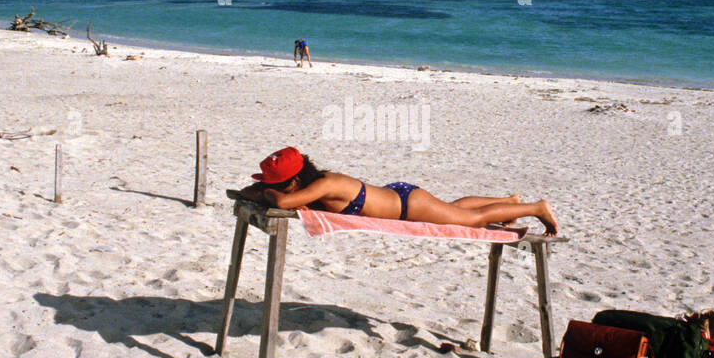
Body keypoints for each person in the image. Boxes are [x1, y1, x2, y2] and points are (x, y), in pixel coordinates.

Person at [239, 147, 558, 235]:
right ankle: (508, 201)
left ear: (292, 182)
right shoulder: (315, 184)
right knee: (456, 208)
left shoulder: (323, 185)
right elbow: (277, 194)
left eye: (271, 183)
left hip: (408, 207)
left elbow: (282, 201)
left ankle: (535, 207)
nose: (268, 188)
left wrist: (263, 192)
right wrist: (258, 189)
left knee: (473, 220)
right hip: (401, 198)